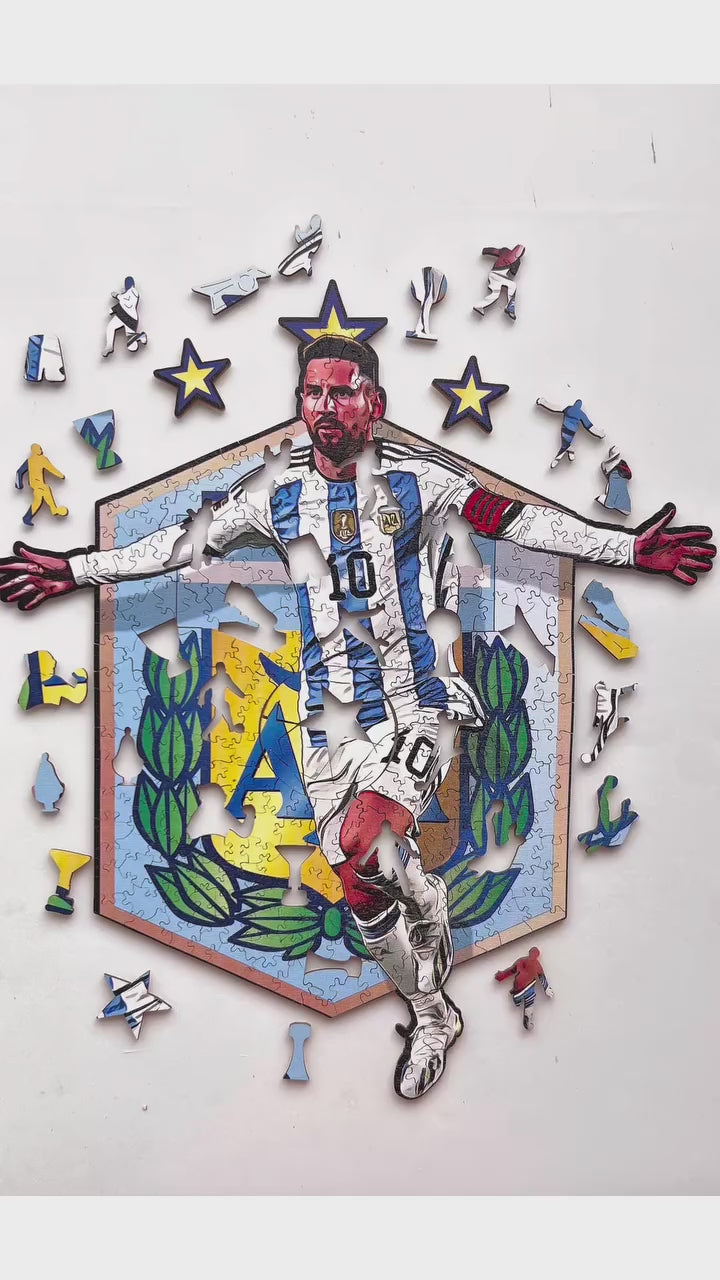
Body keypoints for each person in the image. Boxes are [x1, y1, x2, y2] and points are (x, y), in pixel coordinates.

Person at [0, 335, 714, 1099]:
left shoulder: (418, 482)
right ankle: (433, 1012)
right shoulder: (275, 496)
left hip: (416, 707)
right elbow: (179, 545)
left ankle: (425, 903)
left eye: (342, 392)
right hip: (326, 727)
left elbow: (519, 522)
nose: (326, 407)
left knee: (359, 841)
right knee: (362, 888)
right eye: (313, 393)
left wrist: (626, 551)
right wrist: (74, 569)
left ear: (375, 404)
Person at [495, 947, 553, 1030]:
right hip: (525, 987)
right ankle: (526, 1014)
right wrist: (546, 988)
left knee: (530, 997)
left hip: (521, 988)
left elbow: (511, 970)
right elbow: (541, 976)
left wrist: (501, 976)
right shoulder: (533, 962)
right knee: (530, 997)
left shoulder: (522, 960)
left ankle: (526, 1015)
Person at [14, 444, 68, 526]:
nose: (41, 450)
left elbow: (19, 472)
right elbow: (51, 469)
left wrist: (19, 484)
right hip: (37, 484)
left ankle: (27, 518)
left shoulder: (33, 460)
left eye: (40, 449)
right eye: (39, 449)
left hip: (36, 484)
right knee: (46, 488)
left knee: (38, 502)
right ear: (34, 450)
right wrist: (60, 475)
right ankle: (54, 509)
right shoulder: (37, 459)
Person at [474, 244, 525, 320]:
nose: (518, 253)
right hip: (496, 274)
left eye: (520, 252)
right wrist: (486, 250)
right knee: (511, 285)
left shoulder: (516, 260)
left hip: (500, 276)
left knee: (496, 294)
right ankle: (510, 307)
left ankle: (479, 306)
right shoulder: (506, 251)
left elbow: (513, 273)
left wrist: (515, 263)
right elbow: (495, 251)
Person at [102, 275, 147, 356]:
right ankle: (109, 346)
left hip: (129, 318)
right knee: (110, 327)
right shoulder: (125, 293)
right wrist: (114, 307)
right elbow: (122, 303)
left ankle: (141, 336)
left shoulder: (133, 291)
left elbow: (126, 302)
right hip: (122, 316)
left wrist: (117, 296)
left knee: (131, 346)